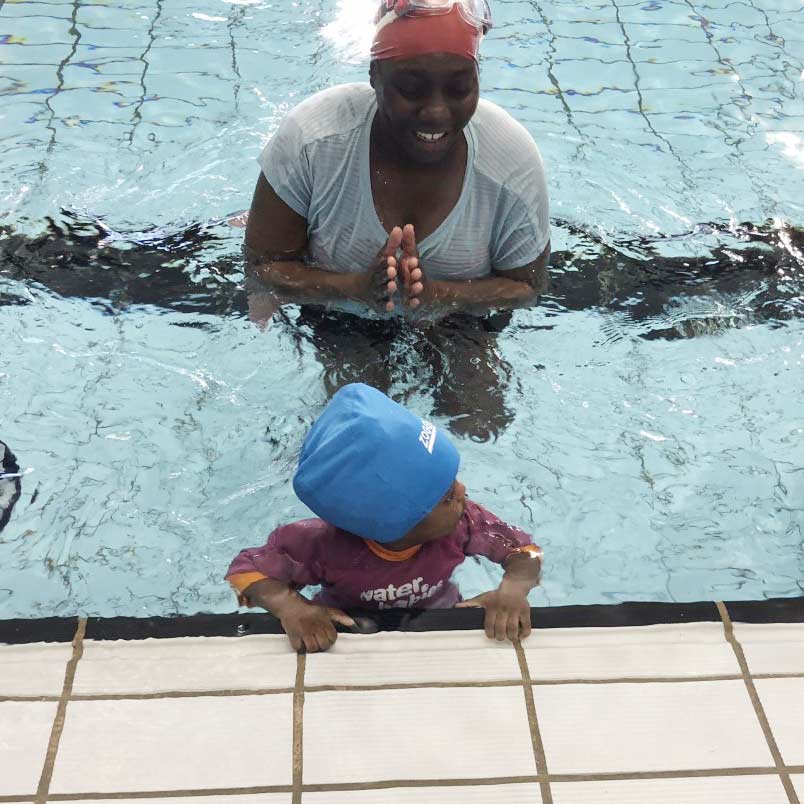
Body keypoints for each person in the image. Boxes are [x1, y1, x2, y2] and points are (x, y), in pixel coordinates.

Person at [243, 0, 551, 441]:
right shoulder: (314, 139)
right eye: (411, 88)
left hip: (459, 318)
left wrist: (440, 295)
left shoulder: (511, 163)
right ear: (374, 78)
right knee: (360, 431)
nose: (437, 112)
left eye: (459, 88)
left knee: (481, 422)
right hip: (337, 313)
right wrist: (352, 289)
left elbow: (528, 286)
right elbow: (261, 268)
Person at [226, 383, 543, 652]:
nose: (463, 490)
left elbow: (526, 552)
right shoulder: (319, 544)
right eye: (447, 495)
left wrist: (513, 589)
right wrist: (292, 608)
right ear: (397, 525)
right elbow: (245, 572)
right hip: (352, 627)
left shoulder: (464, 521)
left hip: (440, 614)